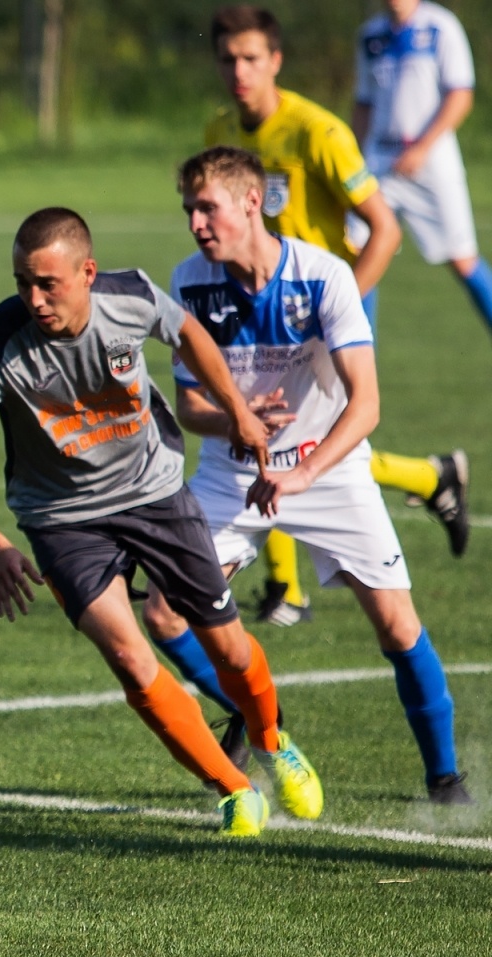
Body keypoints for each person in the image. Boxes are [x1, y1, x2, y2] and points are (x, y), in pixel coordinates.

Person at [0, 206, 323, 838]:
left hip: (155, 494)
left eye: (48, 283)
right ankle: (234, 790)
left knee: (229, 645)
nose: (34, 298)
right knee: (131, 659)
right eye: (23, 281)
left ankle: (271, 740)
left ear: (87, 272)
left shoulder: (129, 296)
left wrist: (236, 408)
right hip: (62, 519)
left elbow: (188, 333)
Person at [142, 147, 470, 806]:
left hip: (329, 473)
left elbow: (366, 403)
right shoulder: (190, 282)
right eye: (189, 210)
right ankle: (263, 716)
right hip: (232, 478)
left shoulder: (323, 278)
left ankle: (446, 781)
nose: (196, 224)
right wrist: (237, 421)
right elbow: (189, 407)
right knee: (163, 613)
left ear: (252, 202)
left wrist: (304, 471)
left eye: (207, 208)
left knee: (398, 626)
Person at [205, 5, 467, 639]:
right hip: (256, 318)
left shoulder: (317, 131)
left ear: (275, 60)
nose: (239, 71)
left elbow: (385, 227)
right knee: (261, 434)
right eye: (228, 59)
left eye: (251, 58)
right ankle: (291, 586)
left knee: (319, 448)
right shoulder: (219, 128)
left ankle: (292, 585)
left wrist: (335, 308)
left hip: (316, 317)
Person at [356, 0, 492, 345]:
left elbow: (460, 95)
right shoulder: (370, 35)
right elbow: (364, 102)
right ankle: (358, 355)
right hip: (379, 160)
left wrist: (422, 147)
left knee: (462, 259)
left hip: (430, 160)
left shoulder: (440, 26)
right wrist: (354, 155)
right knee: (360, 253)